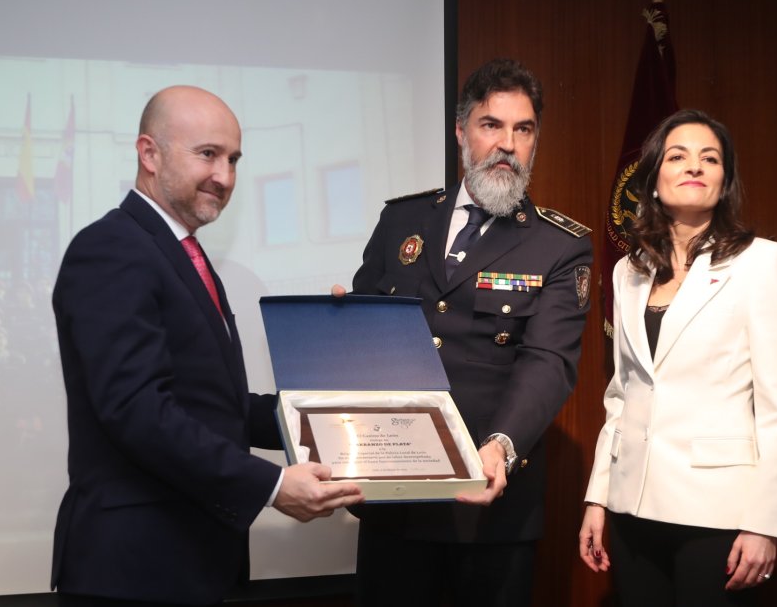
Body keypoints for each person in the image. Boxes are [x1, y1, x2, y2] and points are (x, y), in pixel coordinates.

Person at [50, 85, 363, 607]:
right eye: (208, 154)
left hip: (189, 562)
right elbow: (137, 410)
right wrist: (272, 486)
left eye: (233, 159)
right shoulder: (111, 248)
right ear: (149, 154)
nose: (225, 176)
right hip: (134, 569)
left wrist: (339, 415)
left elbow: (216, 408)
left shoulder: (181, 254)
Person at [348, 59, 593, 607]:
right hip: (395, 497)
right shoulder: (402, 222)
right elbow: (368, 340)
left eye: (523, 129)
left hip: (490, 502)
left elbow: (548, 360)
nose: (507, 143)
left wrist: (501, 445)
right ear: (461, 132)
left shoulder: (559, 246)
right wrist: (343, 326)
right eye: (491, 125)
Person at [577, 109, 777, 605]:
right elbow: (622, 394)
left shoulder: (765, 263)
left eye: (710, 158)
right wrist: (598, 496)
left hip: (719, 513)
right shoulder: (627, 271)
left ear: (725, 182)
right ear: (654, 180)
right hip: (631, 507)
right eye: (678, 156)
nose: (695, 166)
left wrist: (766, 524)